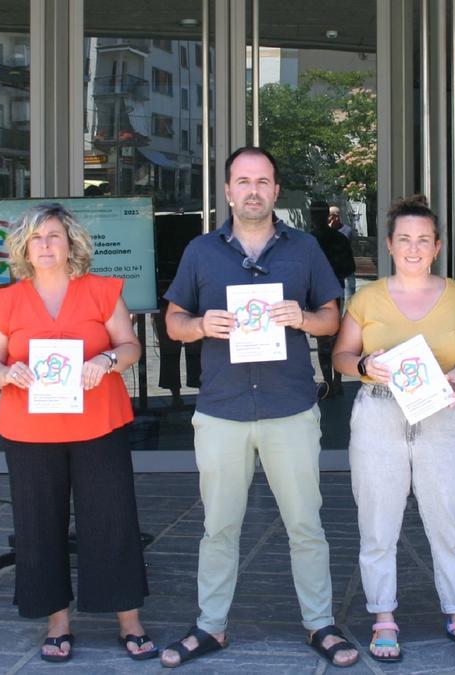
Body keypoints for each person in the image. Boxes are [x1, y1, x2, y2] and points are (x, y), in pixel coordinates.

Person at [159, 147, 359, 668]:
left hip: (289, 407)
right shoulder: (202, 251)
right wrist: (200, 326)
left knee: (305, 526)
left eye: (263, 181)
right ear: (228, 191)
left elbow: (333, 319)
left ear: (275, 190)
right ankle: (211, 626)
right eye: (243, 181)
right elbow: (173, 320)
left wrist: (304, 317)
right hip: (222, 409)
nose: (253, 190)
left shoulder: (306, 248)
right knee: (219, 527)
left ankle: (320, 623)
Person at [0, 203, 154, 663]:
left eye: (54, 235)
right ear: (23, 248)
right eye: (36, 238)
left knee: (113, 520)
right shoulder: (4, 301)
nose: (46, 245)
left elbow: (130, 345)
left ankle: (129, 621)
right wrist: (6, 374)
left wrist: (106, 360)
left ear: (71, 242)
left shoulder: (101, 291)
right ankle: (57, 623)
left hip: (99, 425)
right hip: (28, 431)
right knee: (38, 527)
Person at [332, 195, 455, 662]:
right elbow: (341, 357)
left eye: (423, 239)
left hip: (441, 413)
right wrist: (365, 364)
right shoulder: (367, 297)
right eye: (404, 239)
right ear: (389, 244)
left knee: (449, 515)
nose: (413, 248)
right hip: (380, 413)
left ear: (437, 246)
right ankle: (383, 616)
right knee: (378, 521)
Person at [313, 207, 356, 398]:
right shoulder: (312, 240)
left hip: (323, 291)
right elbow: (349, 267)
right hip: (325, 291)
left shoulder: (311, 241)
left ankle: (332, 382)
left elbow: (349, 267)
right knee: (329, 337)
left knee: (328, 337)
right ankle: (333, 382)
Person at [331, 205, 359, 298]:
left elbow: (340, 246)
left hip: (346, 270)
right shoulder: (327, 231)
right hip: (333, 271)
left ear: (335, 216)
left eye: (329, 215)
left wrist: (329, 230)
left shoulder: (346, 230)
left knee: (349, 299)